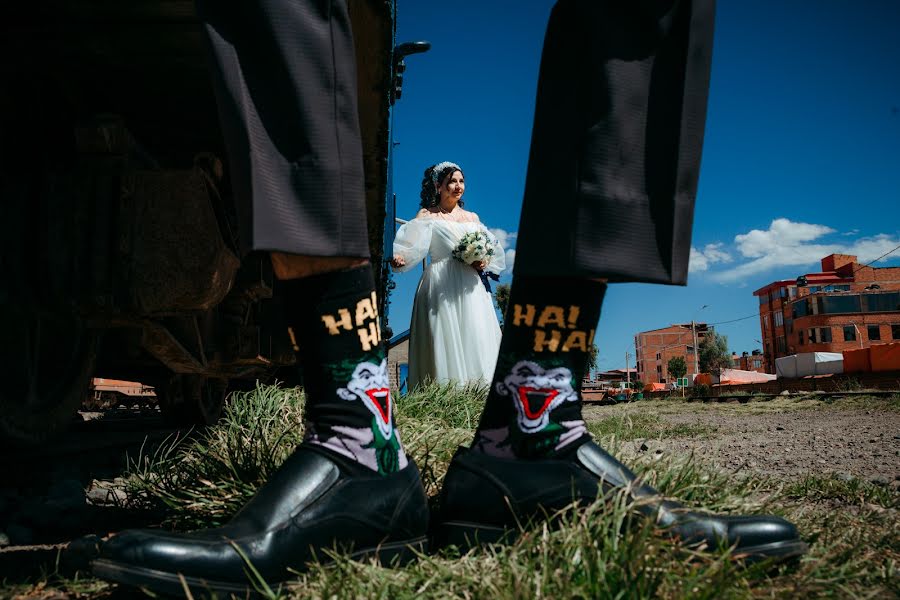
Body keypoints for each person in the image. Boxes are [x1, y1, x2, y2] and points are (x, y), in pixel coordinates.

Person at [92, 0, 806, 596]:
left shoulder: (467, 220)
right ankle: (359, 445)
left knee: (637, 12)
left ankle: (532, 440)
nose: (459, 187)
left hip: (475, 288)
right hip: (438, 287)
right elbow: (405, 250)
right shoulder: (430, 219)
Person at [390, 162, 504, 389]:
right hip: (440, 282)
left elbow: (491, 248)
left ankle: (480, 394)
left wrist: (483, 260)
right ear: (438, 186)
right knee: (443, 338)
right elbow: (409, 244)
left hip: (470, 285)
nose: (458, 186)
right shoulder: (427, 215)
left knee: (477, 335)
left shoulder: (472, 218)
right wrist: (400, 256)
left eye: (461, 181)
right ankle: (445, 395)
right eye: (452, 181)